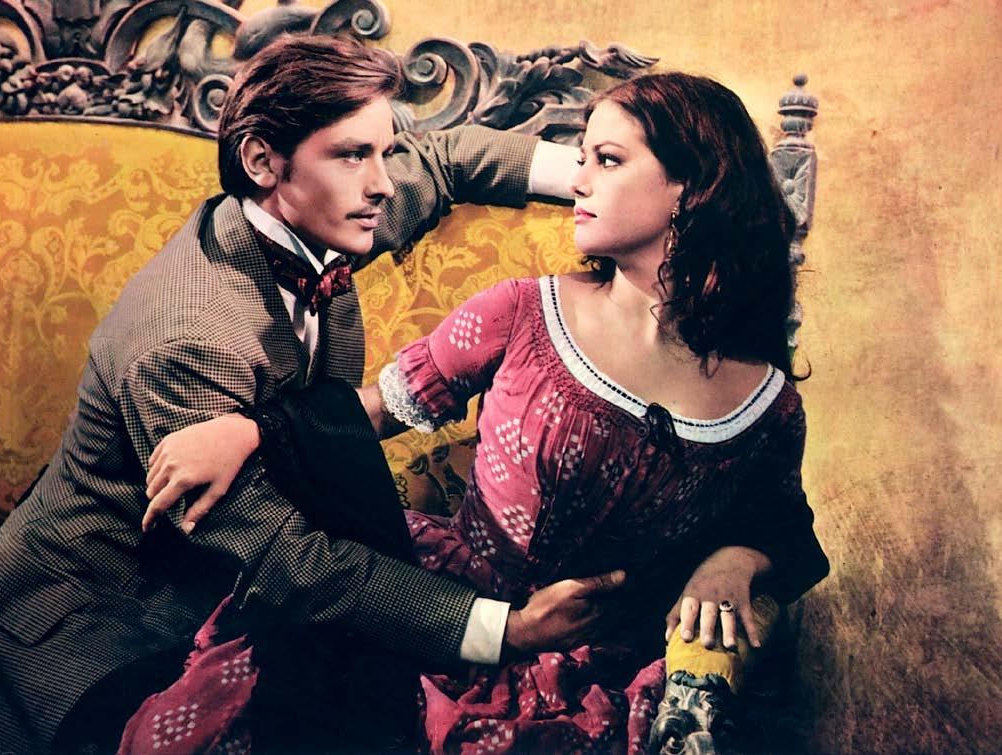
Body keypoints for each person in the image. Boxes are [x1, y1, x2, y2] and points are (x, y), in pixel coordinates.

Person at [0, 35, 626, 755]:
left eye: (381, 152)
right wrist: (504, 629)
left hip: (225, 576)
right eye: (353, 155)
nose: (382, 184)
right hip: (96, 615)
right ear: (261, 161)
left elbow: (441, 160)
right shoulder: (190, 338)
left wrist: (602, 177)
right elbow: (284, 561)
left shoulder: (310, 212)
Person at [137, 71, 831, 753]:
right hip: (444, 614)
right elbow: (373, 410)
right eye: (582, 158)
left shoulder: (765, 402)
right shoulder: (523, 311)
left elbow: (783, 527)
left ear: (691, 187)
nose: (579, 182)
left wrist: (734, 562)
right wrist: (251, 430)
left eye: (608, 160)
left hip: (598, 669)